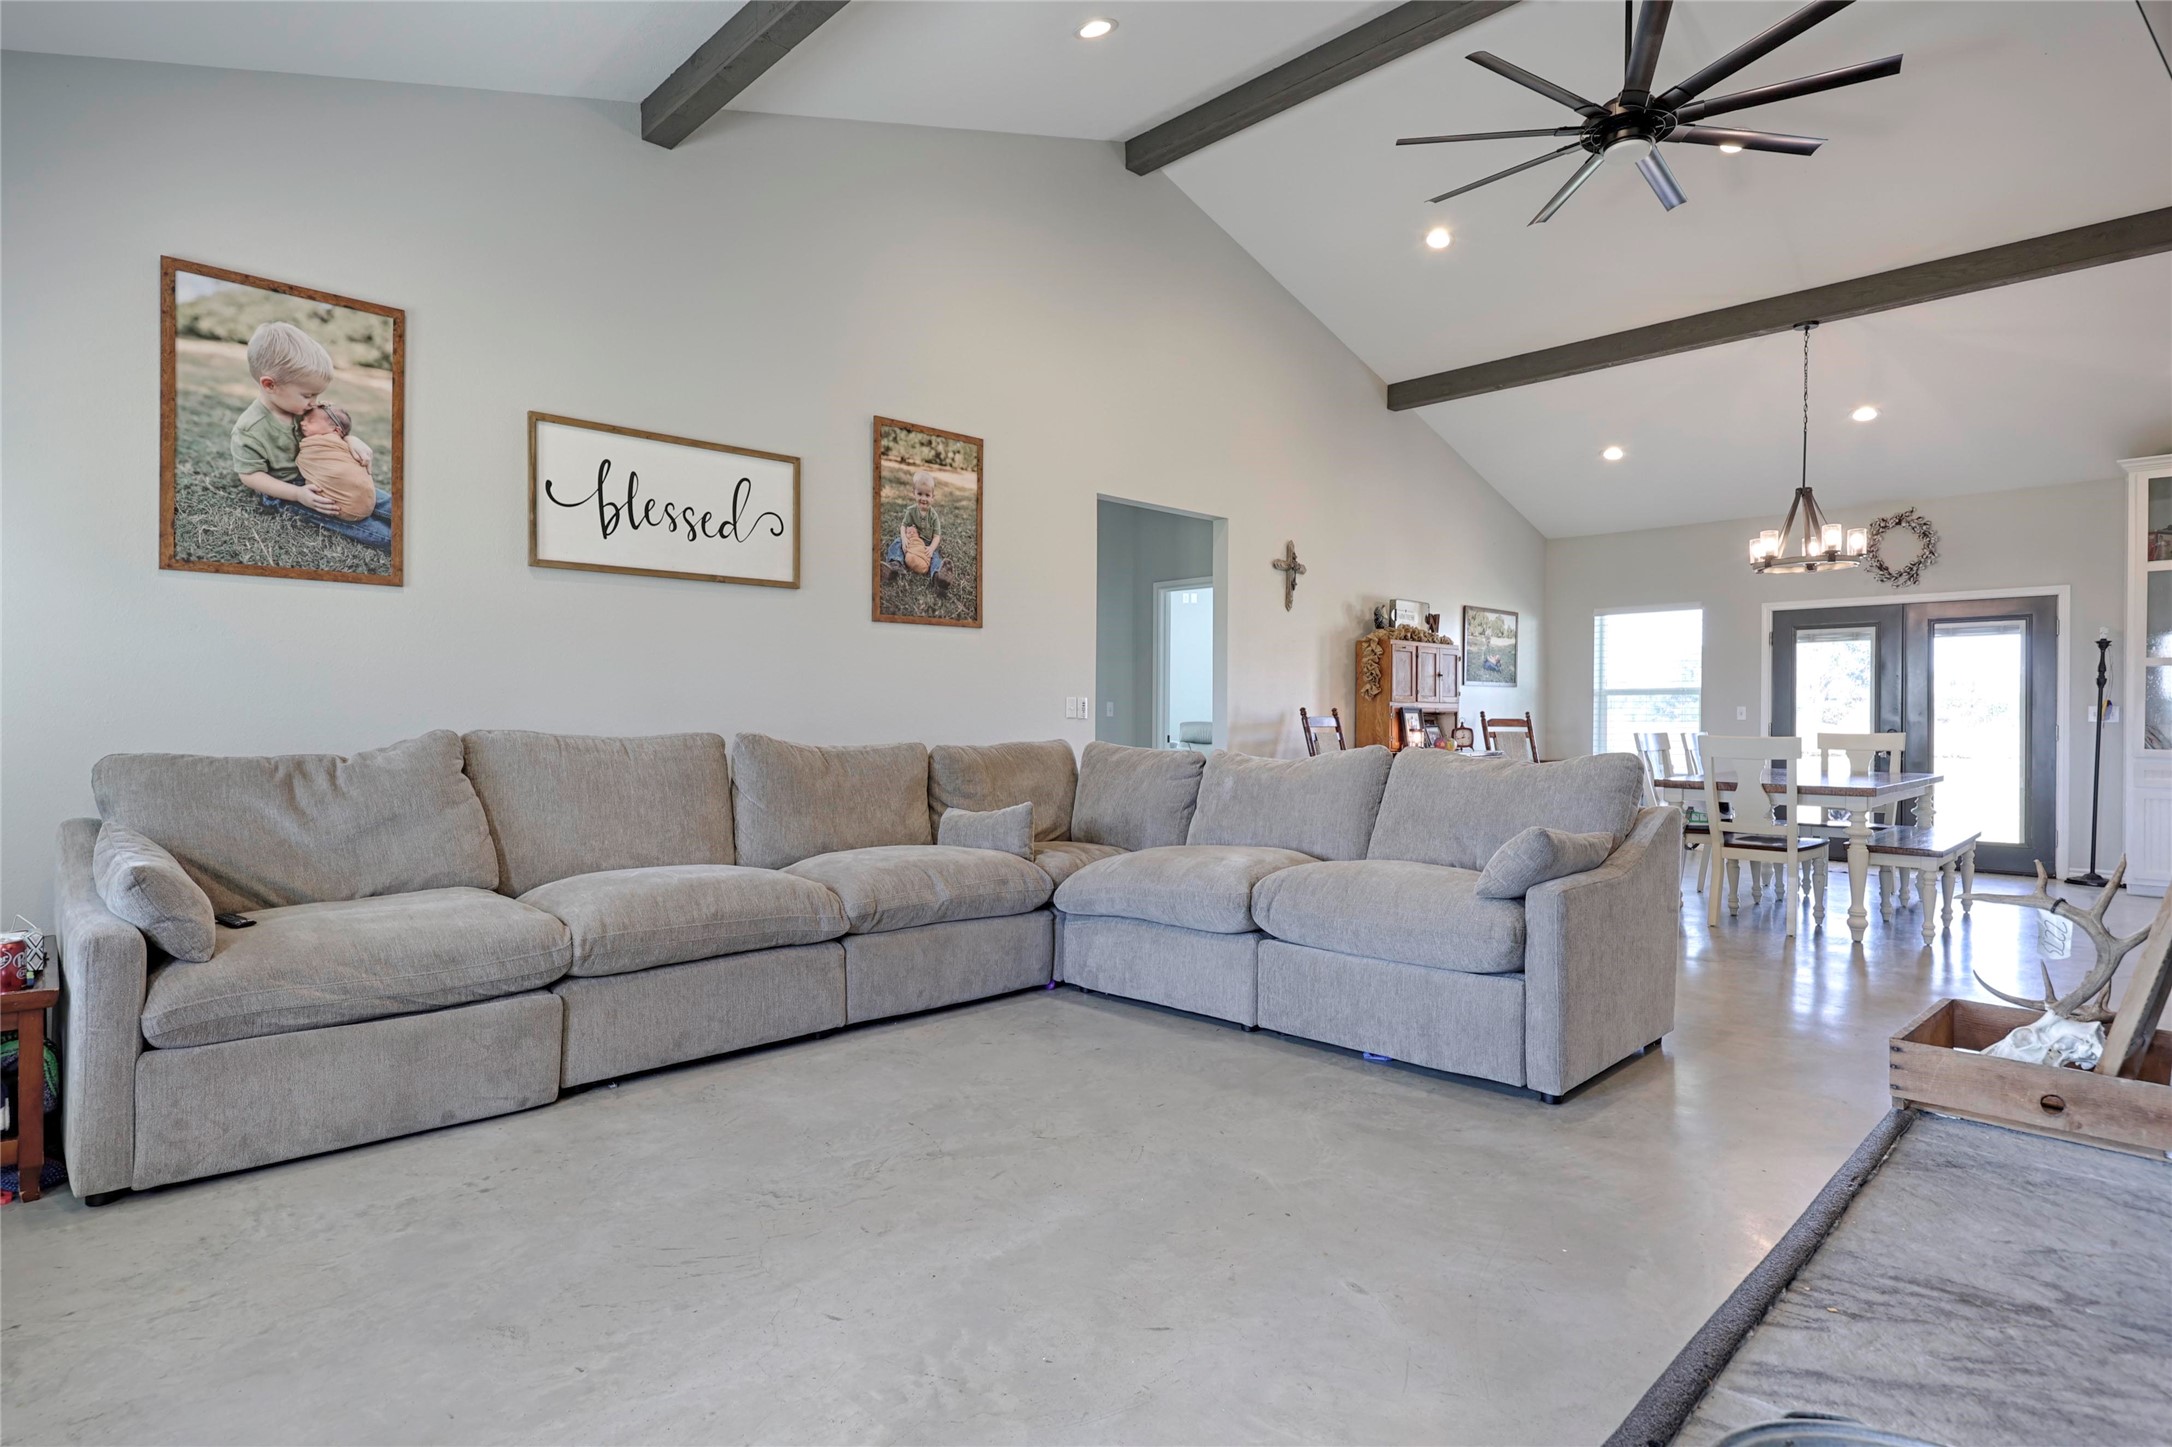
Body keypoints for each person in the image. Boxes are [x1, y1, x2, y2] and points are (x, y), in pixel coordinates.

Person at [229, 321, 390, 550]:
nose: (314, 402)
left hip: (326, 474)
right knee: (355, 522)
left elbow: (332, 427)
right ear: (270, 385)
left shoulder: (304, 408)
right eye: (307, 395)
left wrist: (351, 439)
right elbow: (250, 475)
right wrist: (297, 494)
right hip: (290, 488)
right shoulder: (249, 429)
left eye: (317, 395)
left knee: (380, 500)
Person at [296, 404, 378, 522]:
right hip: (358, 501)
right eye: (303, 419)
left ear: (336, 430)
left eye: (310, 421)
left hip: (341, 507)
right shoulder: (332, 441)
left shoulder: (326, 443)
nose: (302, 423)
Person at [881, 470, 950, 594]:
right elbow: (903, 526)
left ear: (933, 497)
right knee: (898, 541)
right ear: (914, 493)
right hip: (913, 540)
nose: (923, 498)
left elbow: (936, 536)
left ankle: (938, 578)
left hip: (927, 544)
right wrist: (904, 538)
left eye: (927, 495)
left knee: (935, 556)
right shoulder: (911, 511)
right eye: (920, 494)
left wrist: (931, 548)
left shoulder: (933, 516)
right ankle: (895, 565)